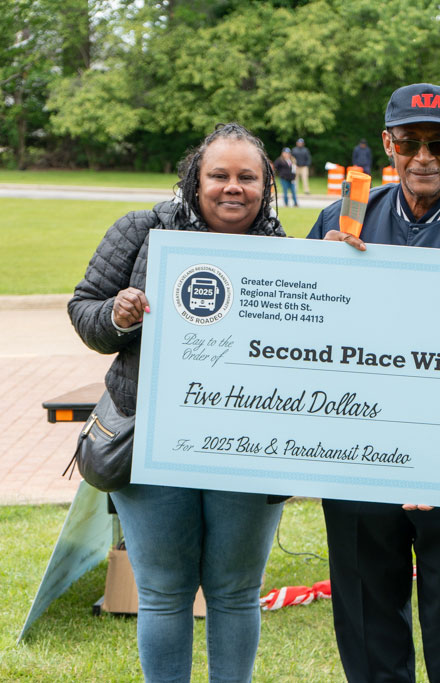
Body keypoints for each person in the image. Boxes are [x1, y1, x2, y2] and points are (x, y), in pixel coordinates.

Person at [308, 82, 440, 683]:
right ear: (388, 143)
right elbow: (301, 339)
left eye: (438, 143)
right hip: (358, 460)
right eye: (409, 141)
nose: (423, 156)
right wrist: (319, 274)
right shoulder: (341, 219)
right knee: (366, 621)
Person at [69, 122, 287, 683]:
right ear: (196, 179)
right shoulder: (142, 231)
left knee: (236, 592)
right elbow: (85, 310)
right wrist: (117, 316)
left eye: (247, 177)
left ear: (266, 185)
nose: (232, 188)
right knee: (164, 593)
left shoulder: (287, 256)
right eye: (219, 175)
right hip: (152, 438)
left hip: (245, 445)